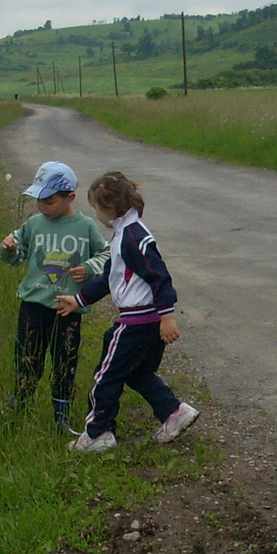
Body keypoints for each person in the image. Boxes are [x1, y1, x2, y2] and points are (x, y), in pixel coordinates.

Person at [55, 171, 200, 453]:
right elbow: (110, 277)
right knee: (136, 372)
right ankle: (174, 412)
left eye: (96, 207)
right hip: (146, 321)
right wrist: (78, 298)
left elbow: (159, 275)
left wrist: (167, 316)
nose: (95, 213)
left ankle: (98, 433)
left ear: (110, 207)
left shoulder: (134, 237)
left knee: (105, 376)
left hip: (137, 323)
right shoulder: (123, 234)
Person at [0, 160, 110, 430]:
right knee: (27, 357)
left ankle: (61, 416)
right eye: (39, 200)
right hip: (32, 305)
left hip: (67, 309)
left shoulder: (84, 227)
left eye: (49, 201)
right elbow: (16, 256)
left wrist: (89, 268)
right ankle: (20, 405)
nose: (42, 207)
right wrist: (9, 248)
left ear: (70, 197)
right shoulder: (33, 224)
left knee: (64, 362)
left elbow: (107, 255)